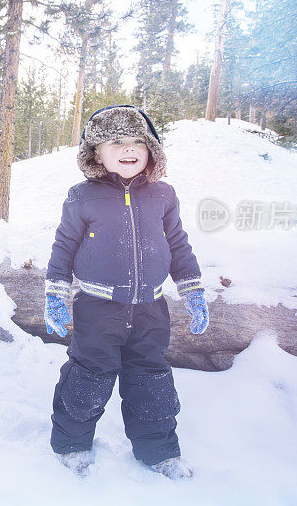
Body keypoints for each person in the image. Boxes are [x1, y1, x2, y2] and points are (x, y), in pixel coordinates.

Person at [43, 104, 209, 479]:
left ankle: (159, 452)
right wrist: (56, 293)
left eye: (138, 140)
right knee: (89, 377)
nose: (128, 148)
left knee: (152, 381)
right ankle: (71, 443)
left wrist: (193, 290)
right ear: (95, 153)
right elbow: (64, 245)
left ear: (151, 150)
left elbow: (178, 245)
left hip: (151, 308)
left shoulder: (163, 194)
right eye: (116, 141)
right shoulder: (83, 195)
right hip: (98, 308)